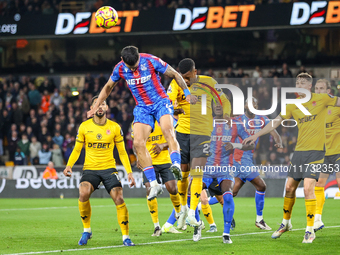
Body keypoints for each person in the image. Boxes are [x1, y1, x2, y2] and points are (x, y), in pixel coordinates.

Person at [87, 46, 195, 201]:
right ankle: (154, 183)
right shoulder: (120, 69)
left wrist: (187, 93)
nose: (134, 69)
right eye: (131, 68)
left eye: (136, 65)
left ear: (139, 57)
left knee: (167, 130)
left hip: (160, 102)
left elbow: (175, 74)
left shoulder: (151, 60)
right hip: (143, 108)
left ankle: (176, 165)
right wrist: (96, 106)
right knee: (137, 143)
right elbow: (108, 87)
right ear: (122, 60)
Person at [243, 73, 340, 243]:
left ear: (309, 86)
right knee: (289, 188)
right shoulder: (292, 104)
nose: (299, 85)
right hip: (299, 152)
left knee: (309, 188)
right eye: (297, 82)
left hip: (317, 152)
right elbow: (276, 121)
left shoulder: (323, 98)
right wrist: (256, 134)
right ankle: (286, 223)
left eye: (302, 83)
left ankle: (310, 230)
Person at [63, 96, 136, 247]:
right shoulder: (84, 127)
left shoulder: (115, 127)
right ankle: (87, 230)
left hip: (109, 168)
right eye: (97, 104)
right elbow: (77, 149)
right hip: (90, 168)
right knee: (83, 193)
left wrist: (129, 172)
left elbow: (122, 152)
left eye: (103, 103)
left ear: (107, 107)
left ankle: (126, 237)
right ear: (92, 109)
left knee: (119, 199)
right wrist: (69, 165)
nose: (100, 106)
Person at [167, 58, 231, 228]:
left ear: (195, 72)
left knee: (197, 172)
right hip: (182, 133)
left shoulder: (209, 82)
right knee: (182, 173)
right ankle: (182, 209)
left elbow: (224, 101)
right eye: (183, 78)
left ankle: (192, 212)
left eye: (187, 77)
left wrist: (226, 114)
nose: (185, 81)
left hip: (202, 134)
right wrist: (175, 109)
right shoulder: (176, 83)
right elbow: (166, 103)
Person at [200, 101, 254, 243]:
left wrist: (235, 145)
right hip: (207, 168)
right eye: (215, 103)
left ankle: (226, 234)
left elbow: (252, 144)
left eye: (222, 103)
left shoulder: (236, 125)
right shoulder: (205, 123)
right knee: (192, 194)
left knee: (228, 197)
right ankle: (196, 224)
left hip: (225, 168)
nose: (218, 106)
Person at [232, 98, 282, 230]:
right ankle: (259, 220)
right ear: (244, 105)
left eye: (254, 103)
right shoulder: (237, 120)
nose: (252, 105)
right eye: (249, 103)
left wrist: (278, 141)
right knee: (261, 186)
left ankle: (201, 205)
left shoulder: (262, 119)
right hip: (240, 158)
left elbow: (274, 132)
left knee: (233, 191)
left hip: (247, 158)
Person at [133, 121, 181, 236]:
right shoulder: (139, 122)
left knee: (173, 189)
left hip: (165, 161)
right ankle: (156, 227)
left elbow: (174, 141)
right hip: (149, 162)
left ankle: (180, 214)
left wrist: (162, 146)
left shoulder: (164, 119)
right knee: (150, 190)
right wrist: (138, 156)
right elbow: (136, 144)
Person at [313, 79, 340, 231]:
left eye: (322, 88)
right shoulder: (314, 109)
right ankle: (317, 220)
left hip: (338, 151)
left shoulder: (336, 106)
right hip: (325, 154)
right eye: (316, 88)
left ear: (328, 91)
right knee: (319, 185)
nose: (318, 91)